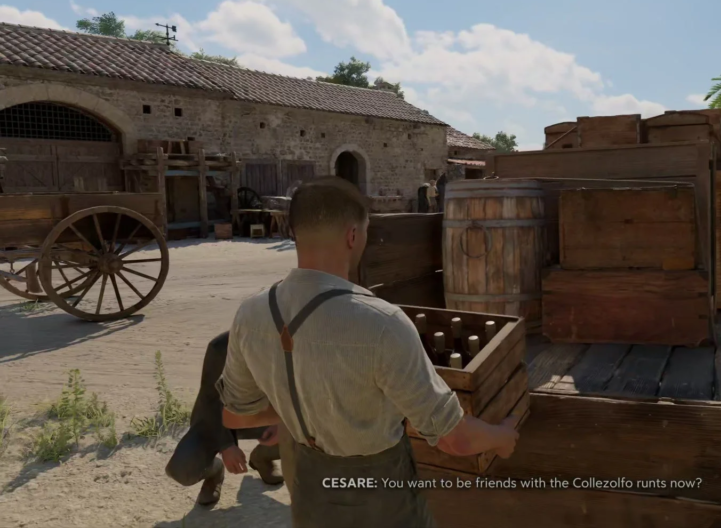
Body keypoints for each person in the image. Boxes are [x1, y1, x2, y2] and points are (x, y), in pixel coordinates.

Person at [216, 176, 519, 528]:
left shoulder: (250, 313)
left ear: (293, 232)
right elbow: (456, 439)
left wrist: (303, 410)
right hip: (382, 500)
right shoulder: (383, 322)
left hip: (310, 493)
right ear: (353, 236)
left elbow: (235, 417)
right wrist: (501, 437)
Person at [165, 332, 283, 506]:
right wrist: (226, 445)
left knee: (311, 432)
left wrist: (283, 424)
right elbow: (210, 400)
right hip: (216, 418)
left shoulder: (295, 342)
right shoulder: (222, 346)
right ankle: (214, 471)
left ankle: (263, 457)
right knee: (182, 469)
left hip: (264, 415)